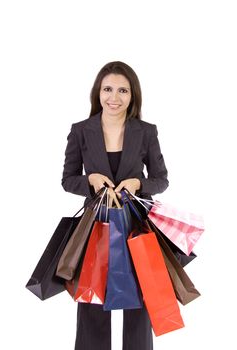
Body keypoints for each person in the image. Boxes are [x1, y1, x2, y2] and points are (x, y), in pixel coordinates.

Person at [61, 61, 169, 350]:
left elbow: (161, 179)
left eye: (123, 90)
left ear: (133, 95)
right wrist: (91, 180)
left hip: (136, 225)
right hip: (94, 226)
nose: (114, 97)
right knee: (92, 297)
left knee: (138, 298)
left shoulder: (145, 131)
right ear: (98, 92)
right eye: (108, 89)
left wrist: (138, 184)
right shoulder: (81, 130)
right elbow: (67, 180)